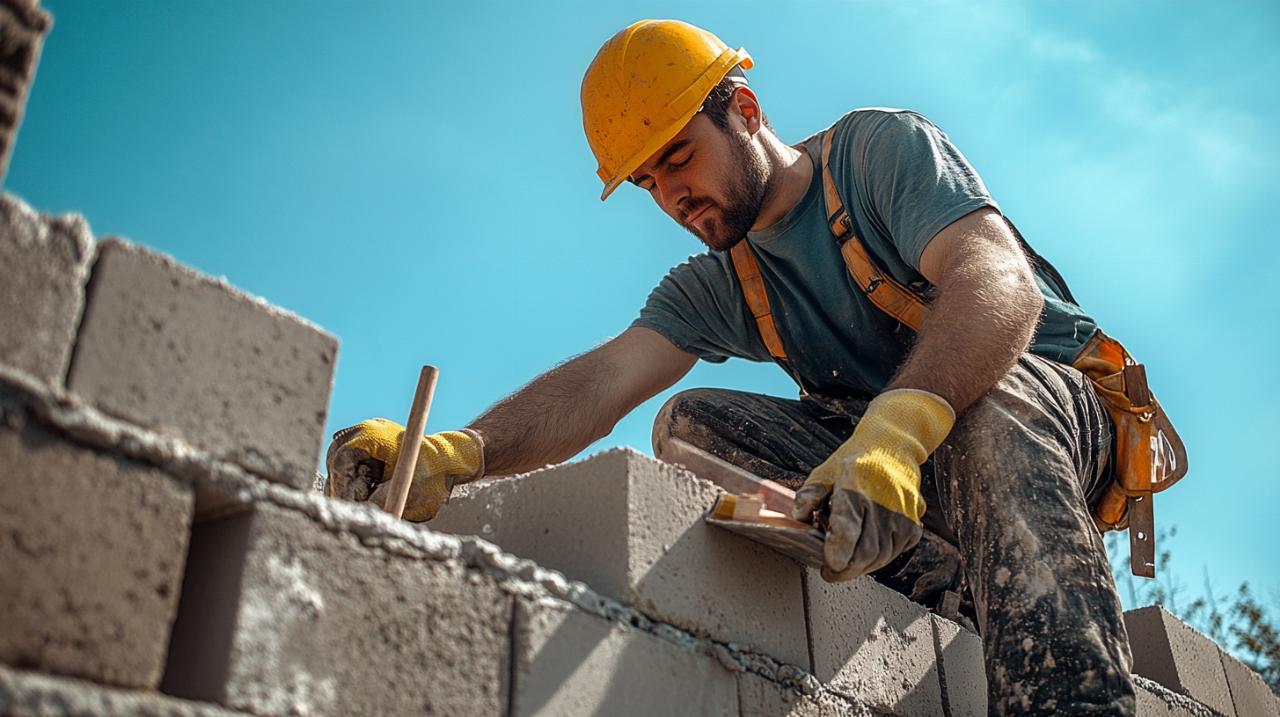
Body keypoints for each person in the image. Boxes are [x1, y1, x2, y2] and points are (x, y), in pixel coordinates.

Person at [327, 19, 1138, 715]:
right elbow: (603, 381)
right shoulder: (723, 280)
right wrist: (458, 452)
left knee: (992, 411)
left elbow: (997, 279)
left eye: (678, 157)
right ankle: (947, 582)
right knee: (690, 427)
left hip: (1049, 414)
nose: (672, 196)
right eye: (649, 181)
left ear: (744, 111)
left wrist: (897, 431)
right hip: (912, 476)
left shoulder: (874, 152)